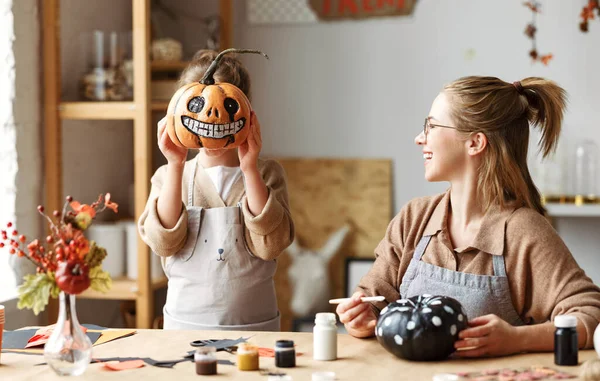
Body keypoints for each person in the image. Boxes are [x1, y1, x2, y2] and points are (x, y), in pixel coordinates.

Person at [336, 76, 600, 357]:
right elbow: (374, 297)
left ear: (475, 143)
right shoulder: (414, 217)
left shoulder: (524, 231)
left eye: (432, 126)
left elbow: (590, 314)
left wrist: (517, 339)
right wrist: (361, 316)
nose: (419, 138)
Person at [138, 50, 294, 331]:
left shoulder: (267, 174)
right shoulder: (168, 176)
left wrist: (249, 169)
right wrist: (175, 164)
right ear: (178, 110)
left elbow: (271, 244)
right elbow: (163, 243)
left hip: (255, 329)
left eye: (228, 106)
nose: (211, 115)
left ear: (247, 111)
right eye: (197, 104)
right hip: (184, 328)